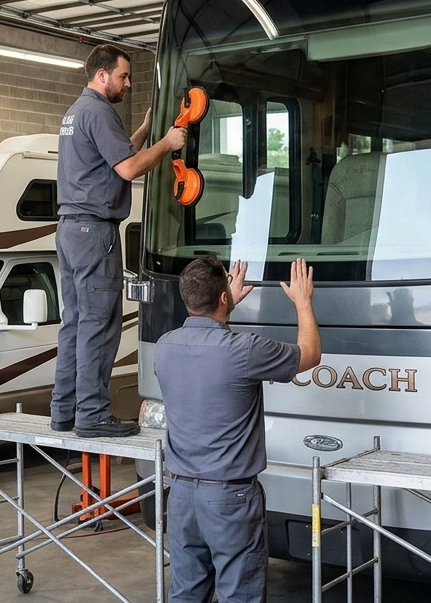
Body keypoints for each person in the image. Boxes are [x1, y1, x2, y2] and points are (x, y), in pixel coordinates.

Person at [155, 256, 321, 603]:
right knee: (240, 594)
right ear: (224, 298)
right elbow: (309, 354)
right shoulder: (244, 350)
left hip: (181, 495)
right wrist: (303, 302)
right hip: (230, 499)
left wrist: (223, 302)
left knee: (186, 593)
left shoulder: (165, 346)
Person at [52, 44, 186, 438]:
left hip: (69, 230)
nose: (127, 84)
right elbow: (127, 169)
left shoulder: (76, 113)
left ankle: (64, 410)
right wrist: (167, 144)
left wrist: (144, 133)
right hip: (95, 232)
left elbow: (109, 157)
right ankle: (92, 415)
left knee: (74, 323)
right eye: (124, 76)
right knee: (100, 324)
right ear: (101, 75)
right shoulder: (99, 111)